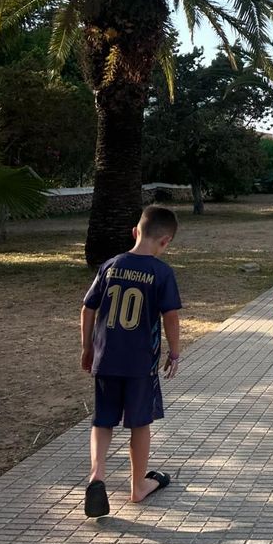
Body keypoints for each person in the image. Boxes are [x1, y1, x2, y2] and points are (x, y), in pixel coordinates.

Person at [80, 205, 182, 518]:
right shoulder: (162, 273)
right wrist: (174, 352)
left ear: (135, 231)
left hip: (106, 356)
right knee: (140, 422)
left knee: (103, 419)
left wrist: (87, 349)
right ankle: (138, 486)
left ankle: (97, 474)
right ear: (165, 242)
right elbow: (171, 316)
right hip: (140, 363)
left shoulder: (110, 265)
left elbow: (88, 308)